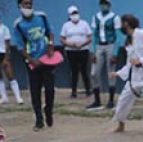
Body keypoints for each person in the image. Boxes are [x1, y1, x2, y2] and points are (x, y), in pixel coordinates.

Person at [12, 0, 58, 131]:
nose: (28, 6)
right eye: (25, 4)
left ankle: (48, 109)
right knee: (35, 91)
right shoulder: (18, 24)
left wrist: (51, 46)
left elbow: (50, 32)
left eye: (30, 4)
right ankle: (39, 120)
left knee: (50, 89)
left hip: (46, 59)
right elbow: (20, 47)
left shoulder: (41, 16)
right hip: (32, 61)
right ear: (20, 6)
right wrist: (31, 60)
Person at [86, 0, 120, 110]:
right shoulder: (96, 17)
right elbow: (94, 34)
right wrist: (93, 50)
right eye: (102, 3)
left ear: (109, 5)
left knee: (110, 72)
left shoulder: (115, 17)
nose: (103, 6)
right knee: (94, 73)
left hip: (110, 44)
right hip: (99, 45)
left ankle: (111, 100)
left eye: (105, 4)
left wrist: (115, 52)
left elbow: (118, 35)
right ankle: (97, 100)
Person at [60, 5, 92, 99]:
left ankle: (88, 90)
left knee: (84, 70)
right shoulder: (66, 25)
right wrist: (70, 44)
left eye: (76, 13)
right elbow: (62, 38)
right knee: (74, 71)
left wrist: (82, 44)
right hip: (71, 51)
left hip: (83, 50)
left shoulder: (84, 24)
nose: (75, 15)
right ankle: (74, 92)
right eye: (72, 14)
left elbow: (90, 36)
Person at [1, 15, 26, 104]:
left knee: (10, 75)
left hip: (3, 52)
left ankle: (18, 97)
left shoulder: (4, 28)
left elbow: (7, 43)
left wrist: (6, 56)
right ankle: (4, 97)